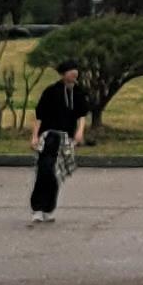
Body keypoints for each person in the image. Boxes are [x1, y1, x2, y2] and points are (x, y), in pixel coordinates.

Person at [30, 61, 85, 224]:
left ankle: (48, 209)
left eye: (75, 71)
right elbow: (39, 115)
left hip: (66, 138)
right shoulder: (51, 91)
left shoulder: (78, 92)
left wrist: (80, 131)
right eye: (70, 71)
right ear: (63, 74)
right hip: (49, 136)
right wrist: (34, 136)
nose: (74, 74)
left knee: (56, 175)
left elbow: (81, 114)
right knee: (44, 171)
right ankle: (37, 208)